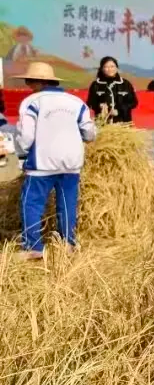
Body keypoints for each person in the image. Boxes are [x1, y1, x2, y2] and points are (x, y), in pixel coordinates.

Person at [12, 62, 96, 260]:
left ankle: (33, 247)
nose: (28, 85)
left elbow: (25, 136)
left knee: (31, 203)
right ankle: (68, 244)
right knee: (67, 202)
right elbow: (90, 133)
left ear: (35, 82)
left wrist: (23, 155)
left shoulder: (32, 102)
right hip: (71, 162)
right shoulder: (76, 102)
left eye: (29, 81)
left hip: (42, 162)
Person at [87, 56, 138, 123]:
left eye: (112, 66)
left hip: (123, 123)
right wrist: (99, 106)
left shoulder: (125, 84)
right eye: (106, 67)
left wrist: (119, 110)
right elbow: (90, 103)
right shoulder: (96, 84)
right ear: (102, 69)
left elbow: (133, 102)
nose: (110, 69)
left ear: (117, 68)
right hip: (103, 124)